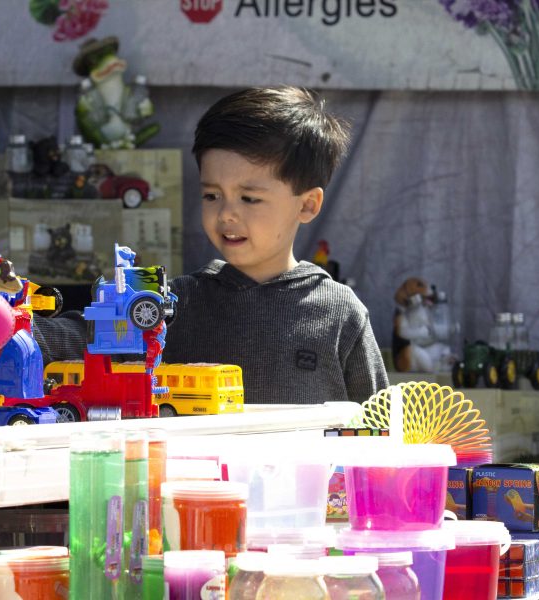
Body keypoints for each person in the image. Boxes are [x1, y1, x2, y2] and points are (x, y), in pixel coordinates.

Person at [161, 86, 388, 404]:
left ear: (307, 205)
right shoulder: (174, 304)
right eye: (212, 195)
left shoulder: (339, 313)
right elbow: (83, 337)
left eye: (249, 198)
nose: (226, 214)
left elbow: (378, 426)